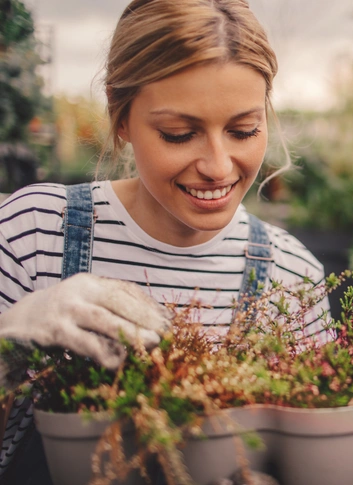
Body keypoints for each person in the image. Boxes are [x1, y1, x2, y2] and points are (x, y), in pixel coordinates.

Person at [0, 0, 332, 482]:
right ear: (120, 116)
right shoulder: (35, 232)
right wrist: (8, 342)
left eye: (243, 130)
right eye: (179, 134)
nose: (218, 165)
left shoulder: (290, 274)